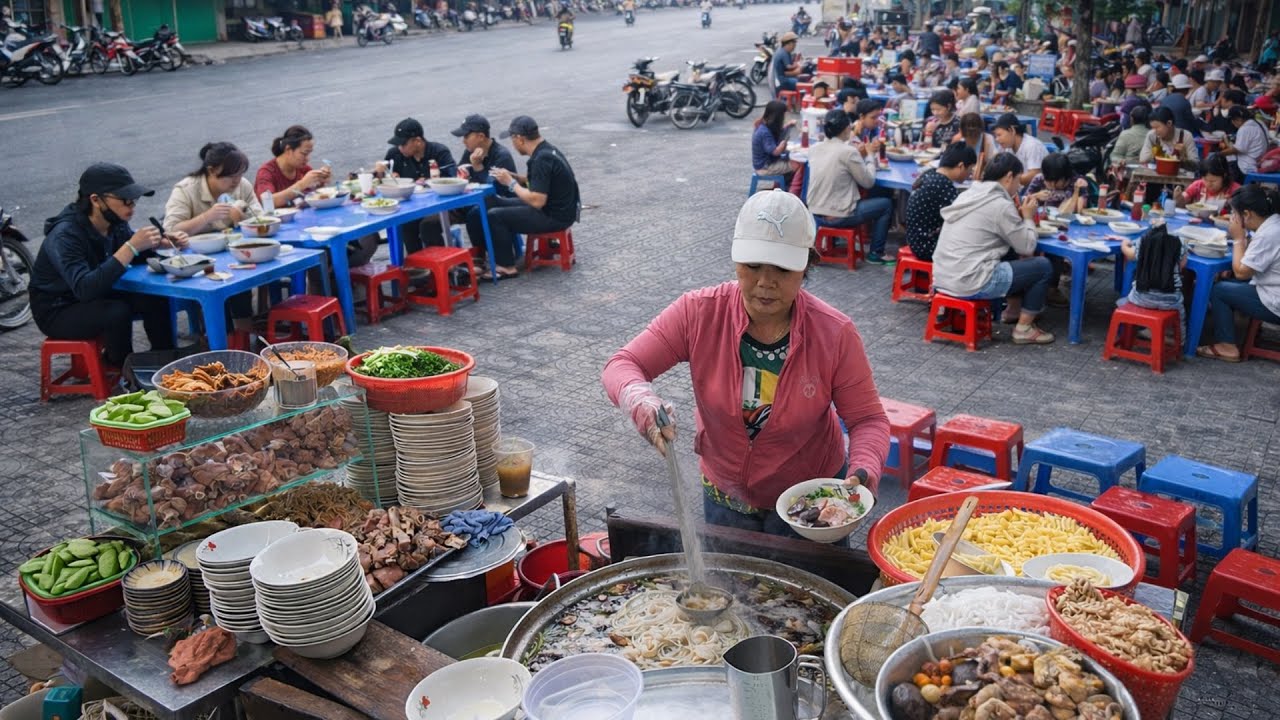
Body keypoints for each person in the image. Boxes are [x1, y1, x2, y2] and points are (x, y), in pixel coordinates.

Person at [601, 190, 891, 535]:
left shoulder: (834, 333)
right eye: (753, 266)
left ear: (806, 266)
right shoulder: (699, 313)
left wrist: (863, 470)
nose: (765, 282)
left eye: (782, 269)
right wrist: (639, 399)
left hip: (808, 505)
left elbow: (868, 419)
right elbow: (623, 364)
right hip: (726, 498)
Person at [30, 163, 188, 368]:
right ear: (96, 200)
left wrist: (157, 242)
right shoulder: (65, 235)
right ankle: (121, 369)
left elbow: (134, 256)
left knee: (154, 297)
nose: (131, 206)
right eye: (125, 200)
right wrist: (131, 247)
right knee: (116, 312)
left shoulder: (115, 221)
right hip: (58, 309)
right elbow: (85, 288)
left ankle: (164, 358)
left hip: (98, 294)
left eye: (134, 199)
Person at [933, 153, 1057, 344]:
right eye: (1018, 180)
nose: (1018, 186)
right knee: (1042, 266)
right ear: (1009, 177)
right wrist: (1027, 217)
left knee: (1009, 253)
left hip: (942, 276)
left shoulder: (968, 194)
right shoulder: (999, 204)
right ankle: (1024, 329)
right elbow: (1027, 247)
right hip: (970, 280)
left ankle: (1012, 310)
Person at [468, 116, 579, 280]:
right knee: (490, 202)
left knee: (495, 216)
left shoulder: (541, 159)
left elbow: (537, 200)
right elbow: (539, 181)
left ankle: (506, 267)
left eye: (513, 139)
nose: (513, 145)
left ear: (519, 139)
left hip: (555, 215)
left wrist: (511, 183)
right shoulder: (546, 150)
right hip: (555, 207)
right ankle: (480, 257)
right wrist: (515, 177)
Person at [255, 125, 378, 267]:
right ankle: (329, 280)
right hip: (281, 234)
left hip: (305, 227)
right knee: (328, 252)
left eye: (309, 154)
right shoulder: (267, 172)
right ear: (288, 150)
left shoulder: (303, 169)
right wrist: (301, 184)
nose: (307, 159)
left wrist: (320, 183)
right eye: (304, 153)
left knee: (365, 238)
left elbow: (312, 196)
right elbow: (267, 203)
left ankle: (339, 277)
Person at [1196, 184, 1280, 362]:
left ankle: (1227, 346)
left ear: (1247, 214)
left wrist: (1239, 239)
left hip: (1275, 301)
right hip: (1272, 288)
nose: (1233, 218)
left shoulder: (1269, 233)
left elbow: (1242, 272)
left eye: (1235, 214)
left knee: (1219, 290)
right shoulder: (1273, 223)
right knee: (1229, 284)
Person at [807, 108, 894, 265]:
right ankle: (876, 252)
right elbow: (868, 182)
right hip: (838, 216)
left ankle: (834, 242)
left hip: (815, 212)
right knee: (886, 204)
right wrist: (869, 156)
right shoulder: (848, 152)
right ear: (847, 128)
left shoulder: (814, 148)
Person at [380, 117, 457, 255]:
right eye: (398, 144)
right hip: (410, 206)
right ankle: (417, 265)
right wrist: (382, 174)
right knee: (404, 223)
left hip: (441, 205)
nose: (400, 148)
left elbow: (452, 180)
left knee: (428, 225)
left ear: (418, 141)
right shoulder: (395, 155)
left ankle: (442, 264)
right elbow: (383, 181)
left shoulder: (439, 152)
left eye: (403, 144)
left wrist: (428, 182)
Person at [906, 143, 975, 261]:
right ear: (961, 166)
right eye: (970, 169)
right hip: (926, 247)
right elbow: (961, 215)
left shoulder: (932, 174)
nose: (971, 174)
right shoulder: (942, 186)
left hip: (916, 239)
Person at [1120, 221, 1189, 328]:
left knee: (1123, 300)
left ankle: (1130, 332)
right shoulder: (1181, 243)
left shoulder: (1143, 241)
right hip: (1171, 301)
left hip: (1141, 298)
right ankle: (1180, 341)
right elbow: (1182, 265)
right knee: (1181, 317)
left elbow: (1130, 255)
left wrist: (1124, 245)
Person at [993, 113, 1047, 185]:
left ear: (1012, 130)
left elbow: (1034, 175)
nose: (997, 139)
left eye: (999, 135)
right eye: (995, 136)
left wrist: (1008, 180)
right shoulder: (1006, 146)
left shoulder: (1032, 146)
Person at [752, 100, 797, 182]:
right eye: (783, 116)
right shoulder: (764, 132)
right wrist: (783, 144)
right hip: (765, 167)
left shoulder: (763, 124)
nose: (784, 118)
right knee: (797, 165)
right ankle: (793, 191)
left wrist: (788, 126)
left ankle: (782, 186)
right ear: (777, 117)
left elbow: (779, 131)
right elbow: (775, 152)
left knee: (792, 161)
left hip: (765, 163)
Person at [1221, 105, 1271, 178]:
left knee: (1228, 160)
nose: (1233, 123)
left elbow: (1238, 149)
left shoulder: (1245, 129)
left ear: (1238, 119)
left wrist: (1220, 154)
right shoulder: (1259, 123)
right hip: (1260, 159)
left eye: (1233, 120)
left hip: (1248, 166)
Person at [1175, 154, 1241, 209]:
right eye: (1205, 179)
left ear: (1224, 176)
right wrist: (1178, 198)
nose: (1208, 184)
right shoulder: (1198, 185)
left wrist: (1231, 204)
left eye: (1213, 181)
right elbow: (1181, 203)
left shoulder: (1235, 190)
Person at [958, 112, 998, 179]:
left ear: (980, 132)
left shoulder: (988, 140)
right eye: (968, 137)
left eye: (975, 137)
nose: (971, 140)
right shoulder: (961, 141)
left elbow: (995, 164)